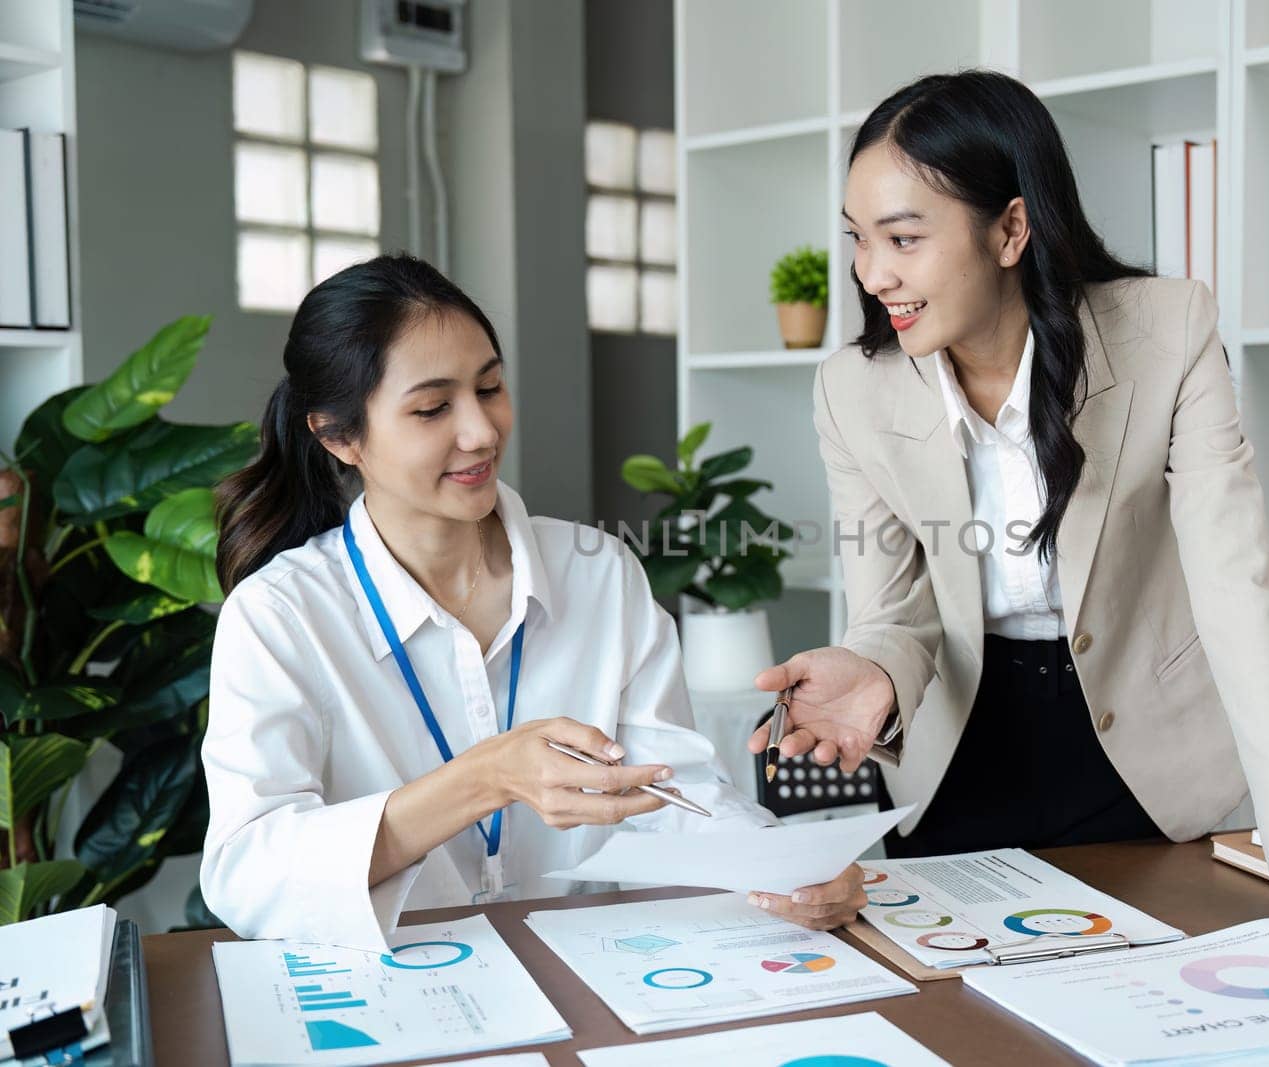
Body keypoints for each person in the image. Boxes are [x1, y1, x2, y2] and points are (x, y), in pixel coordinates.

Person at [747, 70, 1269, 977]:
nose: (870, 272)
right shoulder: (854, 386)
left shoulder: (1168, 330)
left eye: (904, 238)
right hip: (960, 759)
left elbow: (1240, 593)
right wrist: (873, 665)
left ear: (1010, 228)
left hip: (1152, 762)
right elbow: (896, 606)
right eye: (858, 239)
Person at [201, 253, 863, 952]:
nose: (481, 431)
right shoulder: (281, 615)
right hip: (405, 992)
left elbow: (673, 794)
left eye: (489, 387)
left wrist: (790, 867)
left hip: (598, 984)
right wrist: (484, 779)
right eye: (432, 408)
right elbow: (249, 870)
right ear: (338, 435)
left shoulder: (599, 572)